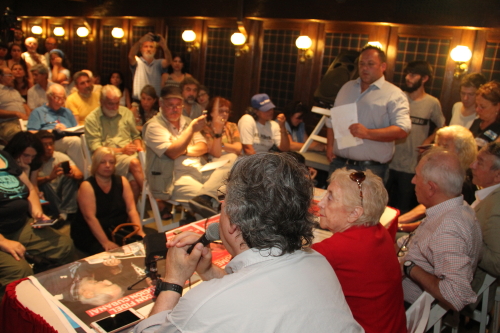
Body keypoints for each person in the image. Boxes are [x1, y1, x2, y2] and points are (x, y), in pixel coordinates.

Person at [133, 153, 363, 333]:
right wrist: (208, 271)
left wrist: (173, 281)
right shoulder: (318, 264)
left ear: (233, 222)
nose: (222, 203)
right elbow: (258, 292)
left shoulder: (202, 307)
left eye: (225, 198)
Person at [312, 168, 407, 333]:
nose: (320, 203)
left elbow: (283, 266)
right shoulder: (379, 231)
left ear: (355, 213)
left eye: (330, 197)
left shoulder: (337, 249)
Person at [397, 148, 482, 311]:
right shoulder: (456, 207)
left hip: (405, 307)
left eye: (417, 176)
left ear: (431, 188)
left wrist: (409, 267)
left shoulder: (448, 228)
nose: (413, 181)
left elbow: (457, 296)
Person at [143, 86, 235, 219]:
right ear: (161, 104)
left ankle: (205, 197)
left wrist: (183, 150)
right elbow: (173, 153)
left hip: (199, 169)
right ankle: (204, 210)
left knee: (232, 158)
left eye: (178, 105)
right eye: (170, 105)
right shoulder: (153, 126)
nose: (175, 109)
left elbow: (203, 147)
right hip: (174, 177)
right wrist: (190, 131)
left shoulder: (186, 121)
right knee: (216, 204)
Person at [325, 45, 411, 179]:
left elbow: (402, 129)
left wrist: (367, 133)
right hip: (339, 164)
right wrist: (329, 146)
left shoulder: (393, 94)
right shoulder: (347, 87)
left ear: (383, 66)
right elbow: (332, 120)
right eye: (362, 64)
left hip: (370, 169)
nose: (365, 68)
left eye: (370, 64)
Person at [0, 149, 75, 298]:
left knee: (64, 246)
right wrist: (3, 242)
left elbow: (29, 188)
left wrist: (36, 212)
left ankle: (59, 295)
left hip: (19, 223)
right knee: (19, 271)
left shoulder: (4, 156)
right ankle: (13, 314)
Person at [387, 60, 445, 214]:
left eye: (413, 75)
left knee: (402, 208)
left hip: (412, 166)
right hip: (389, 161)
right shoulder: (397, 97)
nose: (408, 78)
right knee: (381, 205)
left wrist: (428, 141)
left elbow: (442, 127)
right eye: (407, 74)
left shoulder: (432, 103)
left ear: (424, 78)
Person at [398, 125, 478, 230]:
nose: (437, 149)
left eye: (444, 146)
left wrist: (402, 226)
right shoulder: (444, 171)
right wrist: (399, 220)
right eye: (437, 144)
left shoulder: (464, 182)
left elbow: (442, 217)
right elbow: (432, 202)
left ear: (462, 151)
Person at [72, 147, 146, 255]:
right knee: (110, 256)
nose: (108, 165)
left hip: (116, 228)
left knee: (142, 244)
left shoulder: (122, 181)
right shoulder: (87, 186)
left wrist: (139, 231)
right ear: (95, 164)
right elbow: (90, 218)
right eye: (103, 162)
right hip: (91, 232)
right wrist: (105, 242)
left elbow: (131, 210)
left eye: (111, 162)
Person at [84, 85, 144, 199]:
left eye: (117, 103)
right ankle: (155, 199)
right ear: (101, 102)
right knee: (135, 163)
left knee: (134, 184)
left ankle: (127, 216)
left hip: (131, 155)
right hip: (107, 158)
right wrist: (122, 150)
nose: (115, 107)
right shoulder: (92, 119)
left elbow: (135, 135)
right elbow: (97, 149)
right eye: (111, 104)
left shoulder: (126, 112)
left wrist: (140, 149)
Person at [465, 142, 500, 313]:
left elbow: (497, 263)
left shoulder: (496, 207)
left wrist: (466, 236)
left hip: (469, 285)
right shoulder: (489, 195)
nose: (472, 165)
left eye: (480, 162)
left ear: (497, 176)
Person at [27, 83, 86, 173]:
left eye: (63, 98)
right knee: (74, 142)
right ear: (49, 97)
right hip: (50, 141)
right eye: (57, 98)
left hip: (66, 137)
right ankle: (84, 175)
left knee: (83, 140)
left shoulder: (67, 112)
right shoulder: (38, 112)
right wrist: (50, 131)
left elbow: (75, 129)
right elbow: (30, 133)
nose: (60, 101)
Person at [36, 130, 82, 222]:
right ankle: (63, 214)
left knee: (68, 178)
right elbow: (29, 183)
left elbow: (80, 174)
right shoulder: (33, 159)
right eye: (45, 145)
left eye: (51, 144)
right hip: (44, 196)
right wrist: (48, 178)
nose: (49, 147)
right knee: (45, 184)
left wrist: (72, 175)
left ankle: (65, 214)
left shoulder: (61, 157)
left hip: (61, 193)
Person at [129, 32, 172, 101]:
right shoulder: (137, 61)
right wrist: (140, 42)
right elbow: (131, 56)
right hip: (138, 101)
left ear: (155, 50)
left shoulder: (159, 63)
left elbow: (169, 61)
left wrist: (165, 47)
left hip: (154, 101)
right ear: (141, 49)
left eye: (151, 47)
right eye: (145, 46)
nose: (148, 49)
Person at [470, 80, 500, 148]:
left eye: (482, 107)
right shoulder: (477, 122)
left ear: (497, 107)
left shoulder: (498, 129)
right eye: (476, 105)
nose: (477, 110)